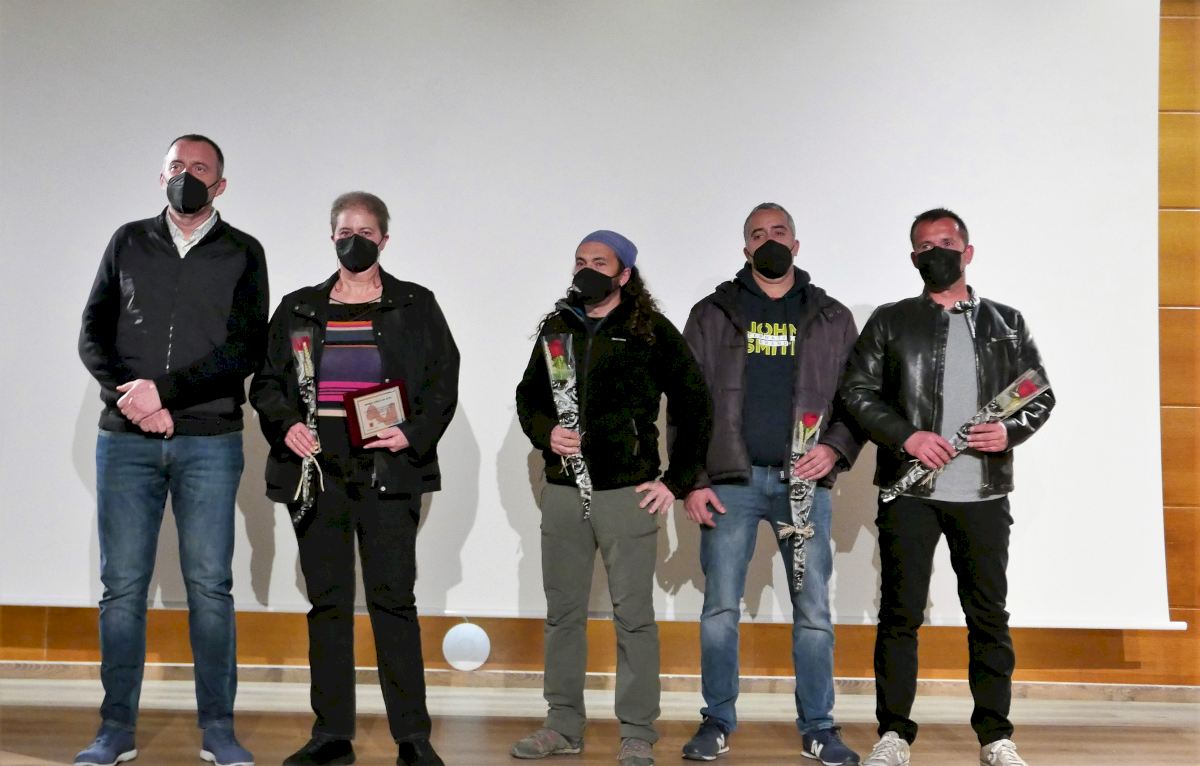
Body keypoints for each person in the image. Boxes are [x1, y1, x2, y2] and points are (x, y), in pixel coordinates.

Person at [76, 134, 268, 766]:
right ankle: (114, 729)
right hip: (125, 441)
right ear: (161, 176)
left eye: (201, 168)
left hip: (209, 440)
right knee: (121, 588)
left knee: (210, 587)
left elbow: (245, 349)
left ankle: (219, 729)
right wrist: (131, 397)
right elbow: (93, 334)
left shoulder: (244, 252)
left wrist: (163, 392)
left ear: (220, 185)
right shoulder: (128, 241)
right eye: (177, 166)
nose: (188, 176)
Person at [249, 192, 458, 766]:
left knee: (394, 601)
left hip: (388, 468)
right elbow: (266, 382)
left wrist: (412, 433)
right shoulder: (299, 307)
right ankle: (331, 735)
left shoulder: (415, 304)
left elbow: (443, 380)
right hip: (318, 471)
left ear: (384, 239)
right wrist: (287, 425)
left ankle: (412, 738)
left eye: (366, 232)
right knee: (329, 604)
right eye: (345, 231)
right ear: (331, 237)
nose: (354, 241)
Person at [840, 208, 1054, 766]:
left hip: (983, 494)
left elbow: (1039, 393)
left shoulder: (1007, 322)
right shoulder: (890, 321)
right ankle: (893, 735)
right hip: (909, 493)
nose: (935, 253)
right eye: (924, 246)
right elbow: (857, 392)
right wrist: (907, 437)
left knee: (988, 617)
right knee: (900, 615)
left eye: (946, 242)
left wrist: (1008, 432)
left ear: (968, 252)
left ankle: (995, 737)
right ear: (913, 257)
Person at [512, 230, 712, 766]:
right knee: (563, 614)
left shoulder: (650, 331)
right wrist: (546, 432)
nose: (586, 270)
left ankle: (638, 732)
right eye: (580, 261)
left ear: (624, 274)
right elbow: (529, 397)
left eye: (599, 262)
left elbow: (695, 402)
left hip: (627, 494)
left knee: (634, 617)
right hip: (563, 491)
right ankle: (562, 725)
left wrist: (676, 481)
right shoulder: (557, 327)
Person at [678, 203, 862, 765]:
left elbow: (857, 398)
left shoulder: (831, 316)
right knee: (719, 609)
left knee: (813, 611)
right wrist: (692, 480)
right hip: (729, 483)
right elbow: (685, 403)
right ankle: (716, 720)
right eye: (758, 234)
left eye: (779, 231)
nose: (769, 240)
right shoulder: (713, 313)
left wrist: (834, 449)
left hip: (804, 485)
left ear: (796, 244)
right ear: (746, 249)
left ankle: (819, 727)